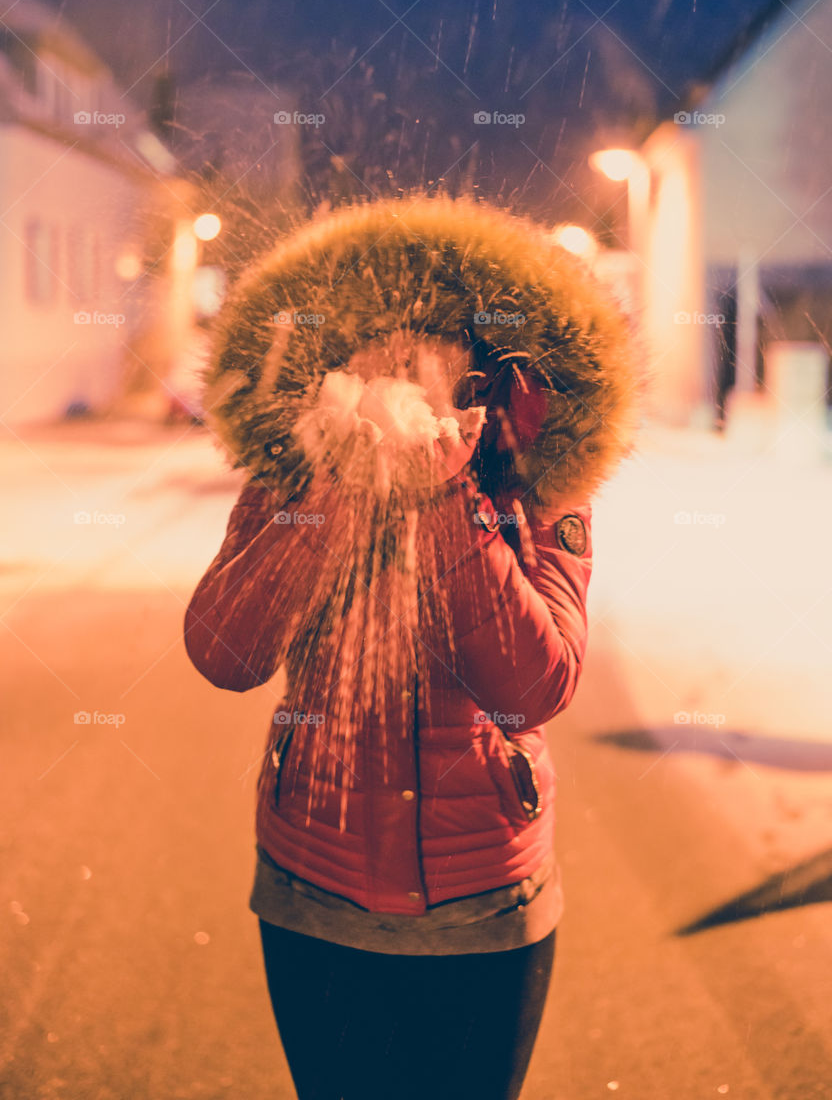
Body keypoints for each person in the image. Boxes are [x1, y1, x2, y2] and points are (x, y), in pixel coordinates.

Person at [183, 329, 594, 1100]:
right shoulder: (295, 471)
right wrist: (334, 489)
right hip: (314, 887)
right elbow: (224, 653)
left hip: (485, 897)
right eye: (379, 351)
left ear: (476, 373)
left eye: (425, 354)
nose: (399, 373)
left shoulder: (536, 477)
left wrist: (445, 497)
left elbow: (533, 690)